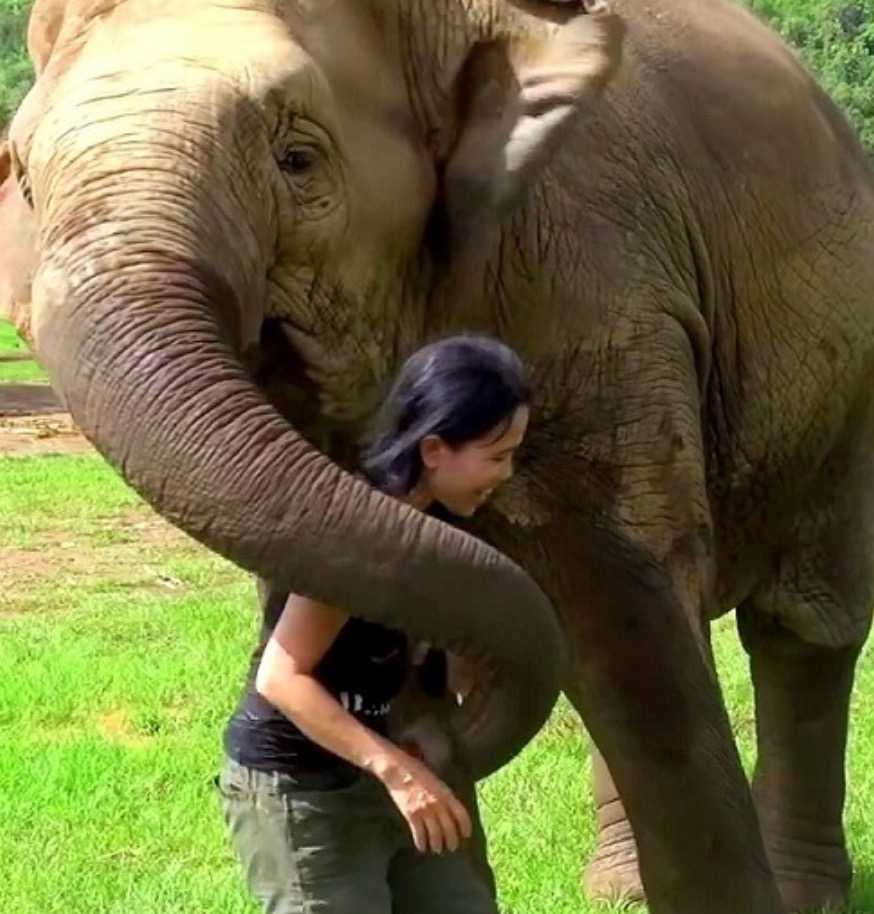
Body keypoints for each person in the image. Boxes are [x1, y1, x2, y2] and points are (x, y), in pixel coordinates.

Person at [217, 334, 531, 914]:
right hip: (303, 790)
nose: (506, 473)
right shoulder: (359, 537)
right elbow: (282, 679)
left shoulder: (443, 524)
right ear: (434, 449)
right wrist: (399, 773)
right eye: (496, 455)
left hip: (390, 771)